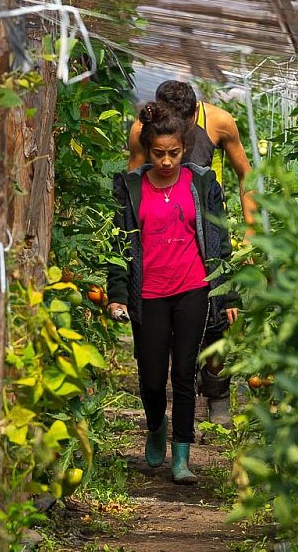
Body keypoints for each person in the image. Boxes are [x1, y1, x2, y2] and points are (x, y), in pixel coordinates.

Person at [108, 101, 239, 484]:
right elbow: (119, 246)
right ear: (147, 151)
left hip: (191, 288)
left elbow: (219, 237)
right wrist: (117, 293)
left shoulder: (200, 182)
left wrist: (228, 295)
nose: (166, 162)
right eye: (159, 154)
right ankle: (155, 425)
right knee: (151, 376)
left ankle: (181, 455)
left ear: (185, 148)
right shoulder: (131, 187)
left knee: (183, 372)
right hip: (148, 292)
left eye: (174, 154)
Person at [128, 80, 249, 427]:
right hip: (166, 238)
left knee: (221, 317)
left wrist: (251, 229)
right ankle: (178, 403)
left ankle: (216, 388)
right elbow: (133, 187)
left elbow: (246, 175)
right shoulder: (143, 132)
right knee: (171, 333)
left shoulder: (220, 122)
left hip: (208, 228)